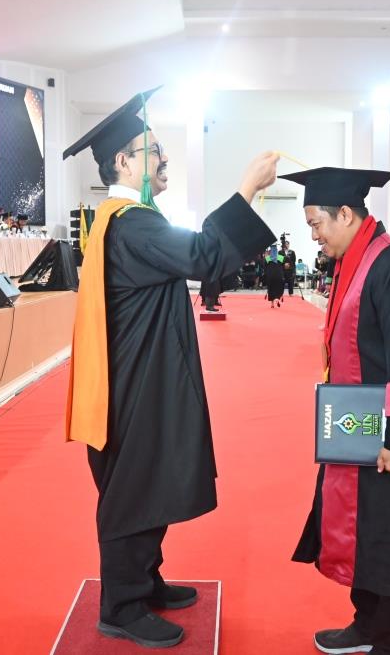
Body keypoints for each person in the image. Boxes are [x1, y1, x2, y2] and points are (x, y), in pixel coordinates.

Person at [62, 87, 278, 649]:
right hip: (133, 386)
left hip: (144, 374)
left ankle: (145, 580)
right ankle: (122, 605)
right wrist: (247, 189)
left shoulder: (127, 220)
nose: (163, 159)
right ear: (124, 162)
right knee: (133, 489)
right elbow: (205, 254)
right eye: (152, 150)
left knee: (150, 479)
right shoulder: (132, 223)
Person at [282, 166, 390, 655]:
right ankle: (367, 625)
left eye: (316, 223)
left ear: (347, 214)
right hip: (363, 422)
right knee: (367, 526)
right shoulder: (356, 261)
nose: (313, 234)